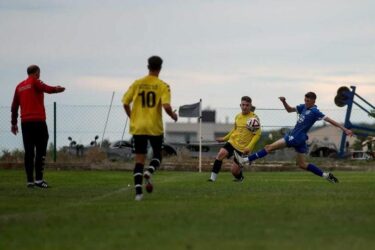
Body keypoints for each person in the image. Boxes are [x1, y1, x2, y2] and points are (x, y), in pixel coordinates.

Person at [234, 92, 353, 183]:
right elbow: (289, 110)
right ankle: (326, 175)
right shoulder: (303, 107)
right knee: (302, 164)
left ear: (313, 101)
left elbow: (330, 120)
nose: (306, 102)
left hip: (295, 137)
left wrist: (344, 129)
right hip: (300, 139)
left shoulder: (315, 112)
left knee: (269, 147)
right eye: (305, 100)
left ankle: (245, 160)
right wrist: (284, 102)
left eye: (308, 100)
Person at [122, 56, 178, 201]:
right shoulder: (163, 85)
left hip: (138, 126)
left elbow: (125, 103)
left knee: (139, 160)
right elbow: (166, 106)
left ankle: (139, 194)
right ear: (160, 68)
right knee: (157, 155)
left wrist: (132, 117)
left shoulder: (137, 83)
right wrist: (173, 116)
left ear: (148, 66)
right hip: (154, 126)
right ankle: (150, 171)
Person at [11, 65, 65, 188]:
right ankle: (39, 180)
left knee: (29, 152)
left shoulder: (19, 86)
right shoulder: (35, 81)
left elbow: (14, 106)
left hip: (25, 123)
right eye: (39, 73)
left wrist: (13, 123)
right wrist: (57, 89)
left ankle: (30, 181)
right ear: (36, 73)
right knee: (40, 150)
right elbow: (45, 88)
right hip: (38, 121)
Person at [208, 96, 261, 182]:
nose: (244, 107)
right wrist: (224, 138)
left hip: (243, 148)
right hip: (232, 142)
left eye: (247, 105)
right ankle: (212, 179)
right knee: (221, 154)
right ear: (240, 105)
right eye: (243, 105)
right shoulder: (237, 116)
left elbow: (257, 135)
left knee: (234, 171)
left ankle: (240, 178)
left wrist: (249, 147)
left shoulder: (254, 119)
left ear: (250, 106)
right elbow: (234, 130)